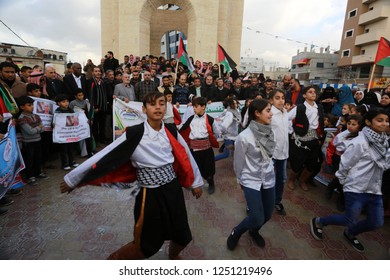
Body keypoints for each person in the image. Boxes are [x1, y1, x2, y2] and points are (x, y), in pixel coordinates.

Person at [60, 91, 203, 260]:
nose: (157, 107)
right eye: (152, 104)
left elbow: (185, 155)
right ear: (144, 109)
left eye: (161, 103)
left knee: (182, 234)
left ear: (166, 108)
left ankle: (173, 256)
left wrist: (196, 182)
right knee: (145, 245)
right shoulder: (135, 133)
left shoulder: (171, 130)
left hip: (173, 190)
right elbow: (105, 155)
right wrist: (73, 179)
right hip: (150, 195)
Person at [310, 108, 389, 253]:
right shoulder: (359, 142)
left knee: (376, 222)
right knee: (349, 218)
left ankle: (351, 232)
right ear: (368, 122)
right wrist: (345, 183)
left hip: (374, 188)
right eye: (379, 120)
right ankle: (319, 221)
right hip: (356, 187)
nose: (384, 124)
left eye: (386, 120)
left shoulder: (384, 141)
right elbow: (345, 164)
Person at [227, 99, 275, 250]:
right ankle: (237, 231)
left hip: (268, 177)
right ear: (257, 113)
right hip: (250, 179)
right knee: (256, 216)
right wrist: (239, 179)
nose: (271, 114)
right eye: (268, 110)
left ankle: (254, 231)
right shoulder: (244, 137)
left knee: (267, 215)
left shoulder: (270, 131)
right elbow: (238, 161)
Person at [287, 86, 325, 192]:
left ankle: (303, 180)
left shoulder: (319, 108)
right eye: (310, 92)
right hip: (300, 139)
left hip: (314, 138)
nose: (313, 93)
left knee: (312, 163)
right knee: (297, 163)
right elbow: (287, 119)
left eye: (314, 92)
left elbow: (320, 122)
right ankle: (291, 180)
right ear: (304, 95)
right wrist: (292, 130)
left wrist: (320, 135)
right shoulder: (299, 108)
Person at [179, 97, 219, 194]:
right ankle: (197, 184)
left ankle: (211, 183)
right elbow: (182, 129)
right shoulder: (191, 119)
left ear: (203, 107)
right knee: (196, 168)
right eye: (194, 106)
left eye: (196, 106)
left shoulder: (210, 119)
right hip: (194, 149)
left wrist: (210, 140)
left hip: (206, 149)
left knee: (208, 169)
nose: (194, 108)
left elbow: (217, 132)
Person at [17, 96, 48, 185]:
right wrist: (39, 127)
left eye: (32, 105)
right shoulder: (22, 118)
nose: (32, 107)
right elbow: (30, 131)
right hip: (28, 142)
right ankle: (30, 176)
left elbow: (43, 129)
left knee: (38, 158)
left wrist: (37, 128)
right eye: (29, 105)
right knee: (29, 160)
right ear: (22, 107)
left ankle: (38, 173)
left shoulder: (36, 116)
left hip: (38, 140)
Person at [269, 89, 289, 215]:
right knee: (265, 179)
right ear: (271, 100)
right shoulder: (269, 113)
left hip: (283, 152)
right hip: (271, 153)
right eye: (277, 98)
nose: (281, 100)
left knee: (280, 179)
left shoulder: (285, 112)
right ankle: (254, 203)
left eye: (282, 97)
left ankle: (276, 201)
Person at [53, 95, 79, 170]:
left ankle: (72, 161)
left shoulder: (71, 110)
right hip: (62, 134)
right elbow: (54, 121)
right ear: (59, 103)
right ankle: (65, 164)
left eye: (67, 101)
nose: (66, 103)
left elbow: (74, 119)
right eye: (63, 102)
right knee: (63, 150)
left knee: (71, 148)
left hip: (70, 133)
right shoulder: (57, 112)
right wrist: (54, 124)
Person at [69, 89, 94, 158]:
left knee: (87, 136)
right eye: (79, 95)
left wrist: (91, 119)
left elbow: (90, 111)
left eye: (82, 95)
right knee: (79, 137)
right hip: (77, 123)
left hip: (86, 122)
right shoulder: (72, 103)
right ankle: (79, 151)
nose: (81, 97)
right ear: (75, 96)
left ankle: (88, 151)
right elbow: (70, 113)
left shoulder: (86, 102)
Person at [215, 97, 241, 161]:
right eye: (234, 103)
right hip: (229, 137)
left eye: (236, 103)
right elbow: (224, 125)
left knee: (239, 153)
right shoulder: (230, 113)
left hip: (235, 136)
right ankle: (211, 160)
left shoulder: (236, 111)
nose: (236, 105)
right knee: (227, 154)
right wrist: (225, 132)